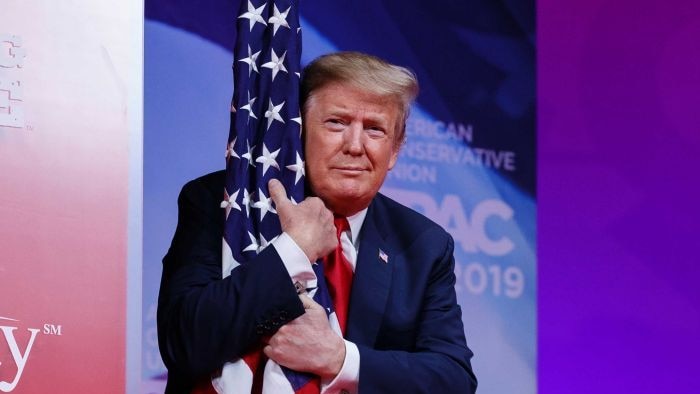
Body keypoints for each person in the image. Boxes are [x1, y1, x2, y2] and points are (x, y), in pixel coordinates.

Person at [158, 52, 477, 393]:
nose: (355, 146)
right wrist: (293, 251)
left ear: (395, 150)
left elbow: (453, 379)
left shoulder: (423, 244)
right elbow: (184, 341)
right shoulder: (223, 203)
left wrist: (340, 360)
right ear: (299, 133)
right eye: (336, 123)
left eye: (375, 129)